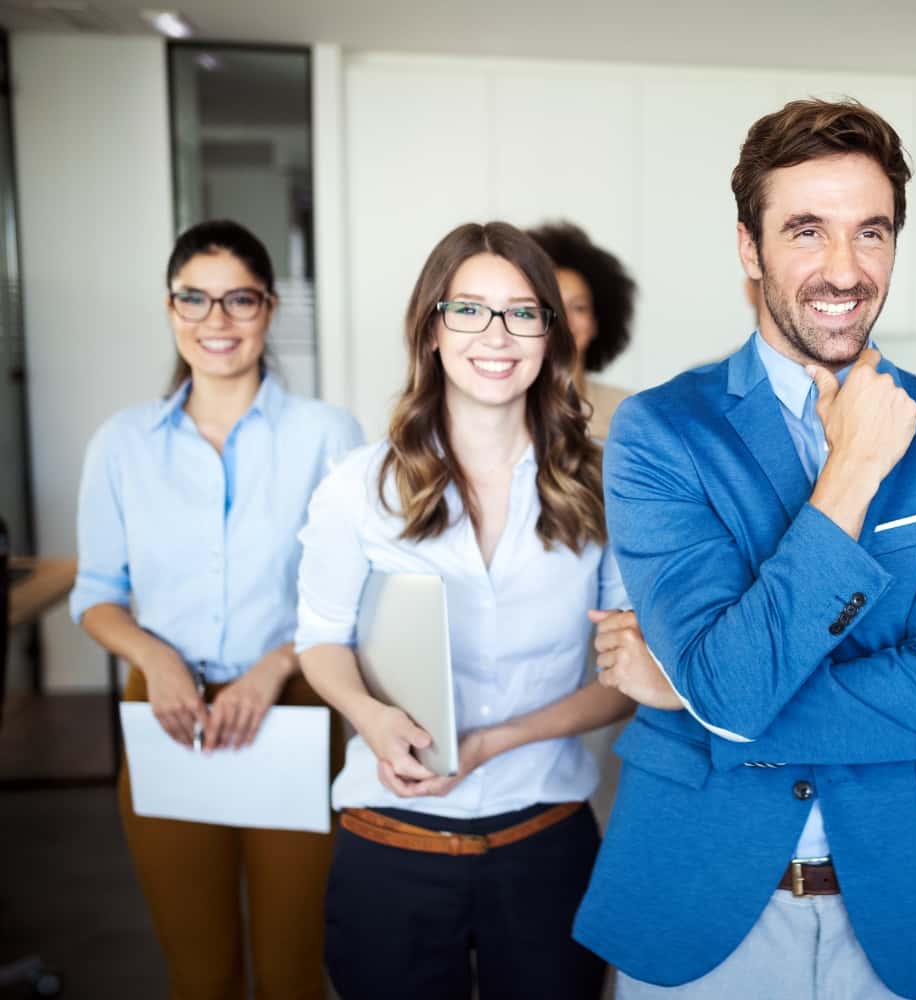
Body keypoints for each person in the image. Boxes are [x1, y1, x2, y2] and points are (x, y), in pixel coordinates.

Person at [573, 98, 916, 1000]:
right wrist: (849, 474)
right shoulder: (660, 432)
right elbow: (732, 691)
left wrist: (686, 688)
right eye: (807, 230)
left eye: (872, 233)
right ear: (751, 247)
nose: (844, 269)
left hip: (898, 904)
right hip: (695, 902)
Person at [295, 221, 649, 1000]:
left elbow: (625, 673)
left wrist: (498, 740)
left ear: (552, 335)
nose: (497, 335)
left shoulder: (598, 486)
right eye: (469, 310)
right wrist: (370, 714)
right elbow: (320, 641)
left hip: (545, 840)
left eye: (523, 312)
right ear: (430, 328)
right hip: (389, 840)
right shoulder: (359, 485)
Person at [70, 219, 363, 999]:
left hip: (295, 704)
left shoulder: (327, 434)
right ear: (170, 309)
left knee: (294, 969)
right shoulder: (122, 442)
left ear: (268, 309)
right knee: (199, 972)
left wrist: (274, 669)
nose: (216, 320)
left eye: (238, 299)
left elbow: (350, 592)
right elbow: (96, 594)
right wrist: (157, 659)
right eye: (194, 299)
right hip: (167, 713)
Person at [527, 221, 637, 438]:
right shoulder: (505, 410)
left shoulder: (627, 413)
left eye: (578, 307)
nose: (564, 320)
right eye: (551, 306)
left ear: (597, 322)